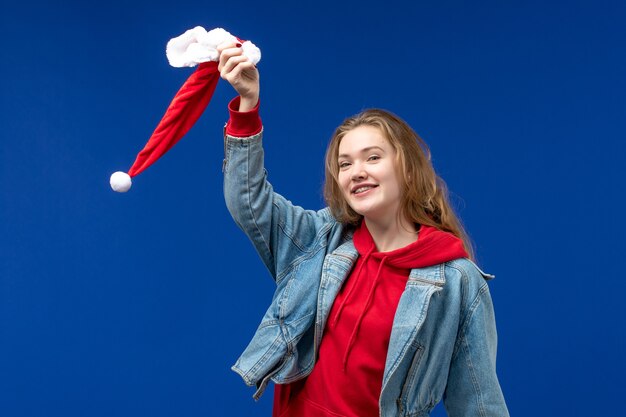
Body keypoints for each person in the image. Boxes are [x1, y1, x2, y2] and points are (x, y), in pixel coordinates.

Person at [217, 42, 509, 417]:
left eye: (373, 157)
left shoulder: (458, 283)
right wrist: (247, 104)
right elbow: (248, 202)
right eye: (344, 164)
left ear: (407, 169)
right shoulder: (318, 240)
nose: (357, 172)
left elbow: (478, 402)